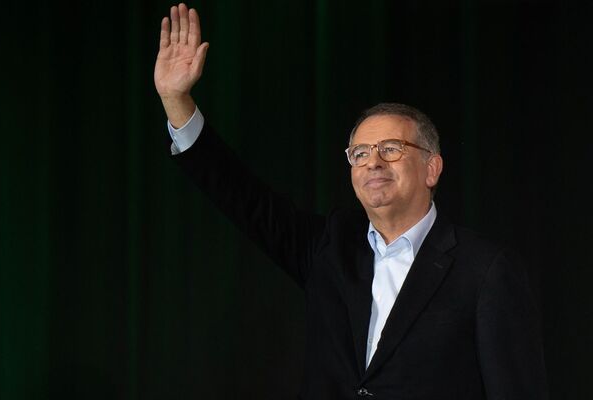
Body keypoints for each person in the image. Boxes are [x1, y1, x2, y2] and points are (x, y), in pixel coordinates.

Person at [154, 3, 549, 399]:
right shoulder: (331, 246)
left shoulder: (485, 270)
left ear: (432, 168)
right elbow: (241, 197)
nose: (373, 162)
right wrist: (176, 102)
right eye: (359, 153)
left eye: (391, 149)